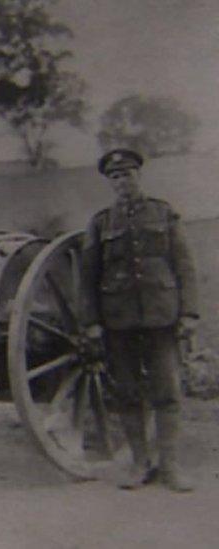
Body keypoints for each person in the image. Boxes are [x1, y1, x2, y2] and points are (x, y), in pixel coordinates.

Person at [81, 148, 198, 492]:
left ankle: (171, 465)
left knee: (167, 391)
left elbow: (185, 265)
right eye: (115, 177)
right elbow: (87, 277)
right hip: (119, 322)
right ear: (109, 183)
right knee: (128, 394)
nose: (122, 182)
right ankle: (139, 464)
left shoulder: (164, 214)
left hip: (162, 317)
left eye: (127, 174)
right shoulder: (101, 222)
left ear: (139, 176)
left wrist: (189, 313)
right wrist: (91, 321)